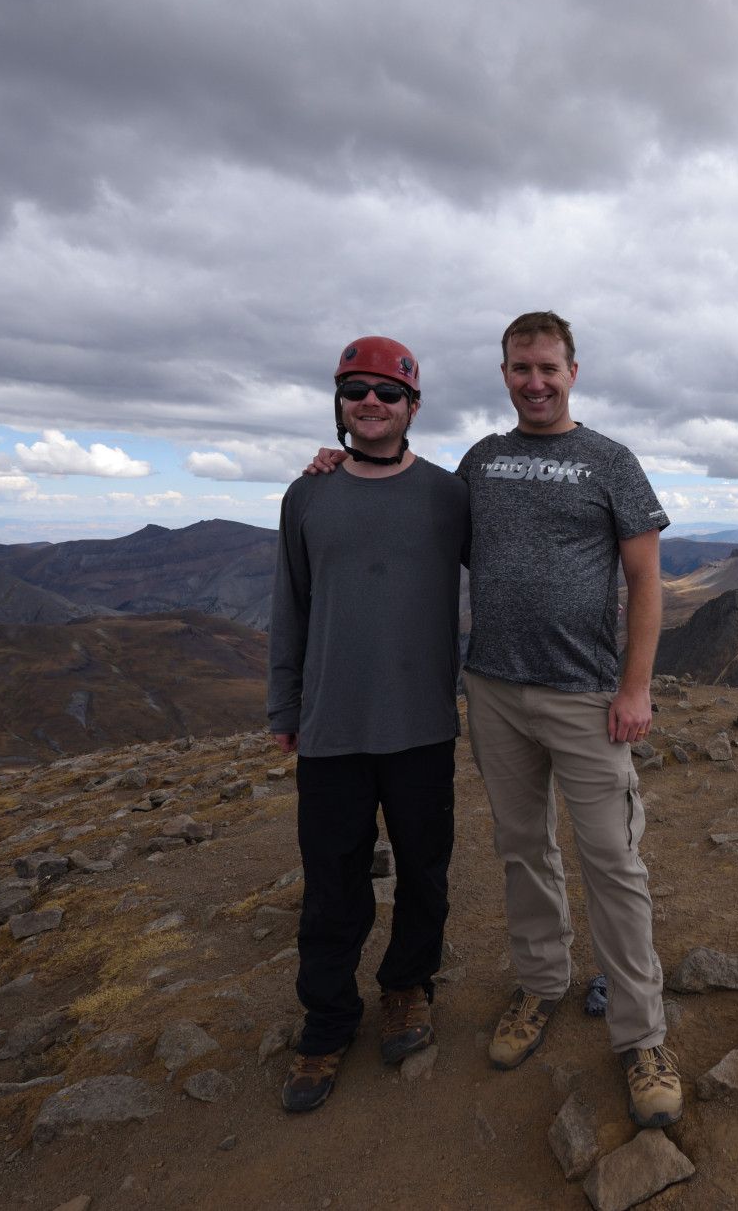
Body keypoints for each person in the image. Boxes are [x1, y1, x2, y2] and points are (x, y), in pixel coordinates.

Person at [307, 310, 680, 1128]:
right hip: (496, 693)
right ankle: (542, 985)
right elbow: (406, 497)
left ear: (572, 371)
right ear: (504, 372)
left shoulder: (611, 461)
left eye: (548, 367)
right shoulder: (482, 462)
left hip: (586, 695)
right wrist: (338, 464)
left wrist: (635, 687)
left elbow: (648, 580)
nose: (535, 382)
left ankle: (641, 1033)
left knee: (613, 861)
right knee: (523, 849)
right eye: (520, 368)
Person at [268, 335, 468, 1114]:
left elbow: (512, 567)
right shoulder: (306, 495)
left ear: (413, 406)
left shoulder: (449, 495)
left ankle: (408, 988)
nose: (371, 404)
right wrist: (285, 707)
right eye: (356, 391)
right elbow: (291, 604)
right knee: (331, 885)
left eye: (387, 393)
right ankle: (326, 1021)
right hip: (331, 728)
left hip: (422, 725)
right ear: (340, 403)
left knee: (423, 872)